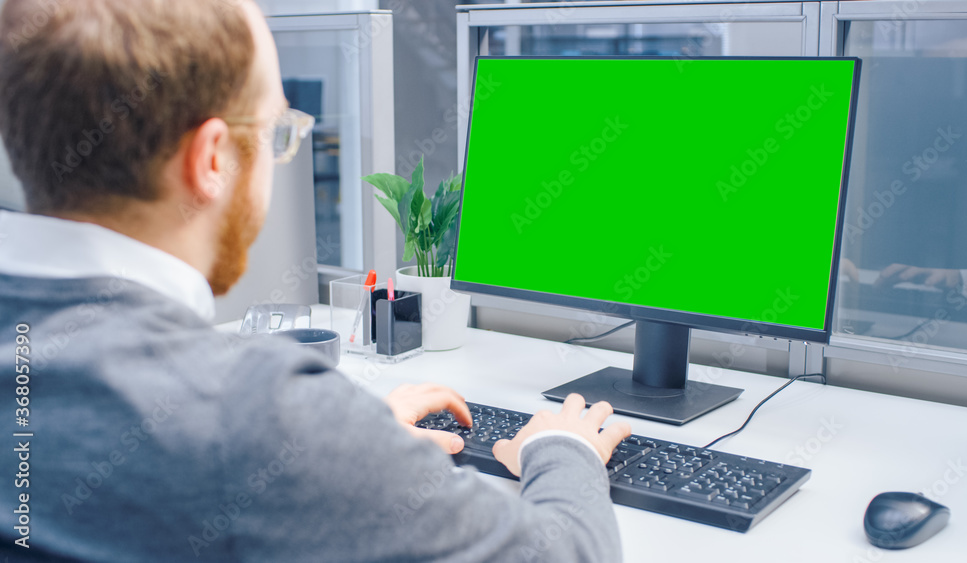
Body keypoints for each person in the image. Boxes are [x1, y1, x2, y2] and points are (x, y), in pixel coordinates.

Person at [0, 0, 631, 561]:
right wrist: (562, 451)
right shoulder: (249, 415)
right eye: (276, 133)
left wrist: (345, 451)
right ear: (212, 160)